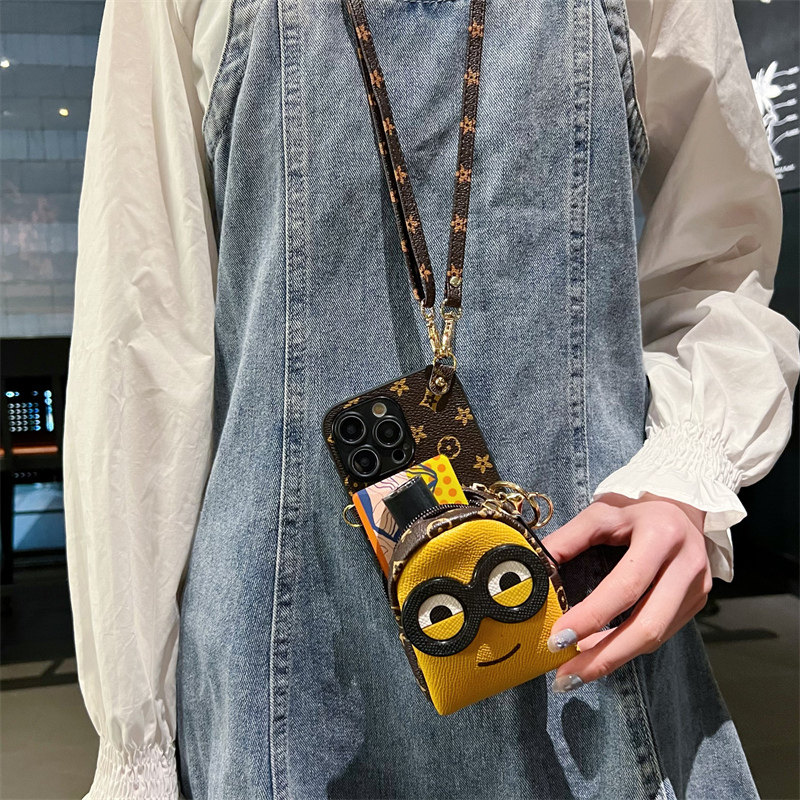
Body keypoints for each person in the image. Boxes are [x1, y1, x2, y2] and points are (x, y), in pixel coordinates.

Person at [63, 0, 799, 797]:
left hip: (582, 635)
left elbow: (721, 257)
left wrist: (684, 470)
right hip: (280, 663)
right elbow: (140, 330)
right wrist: (135, 744)